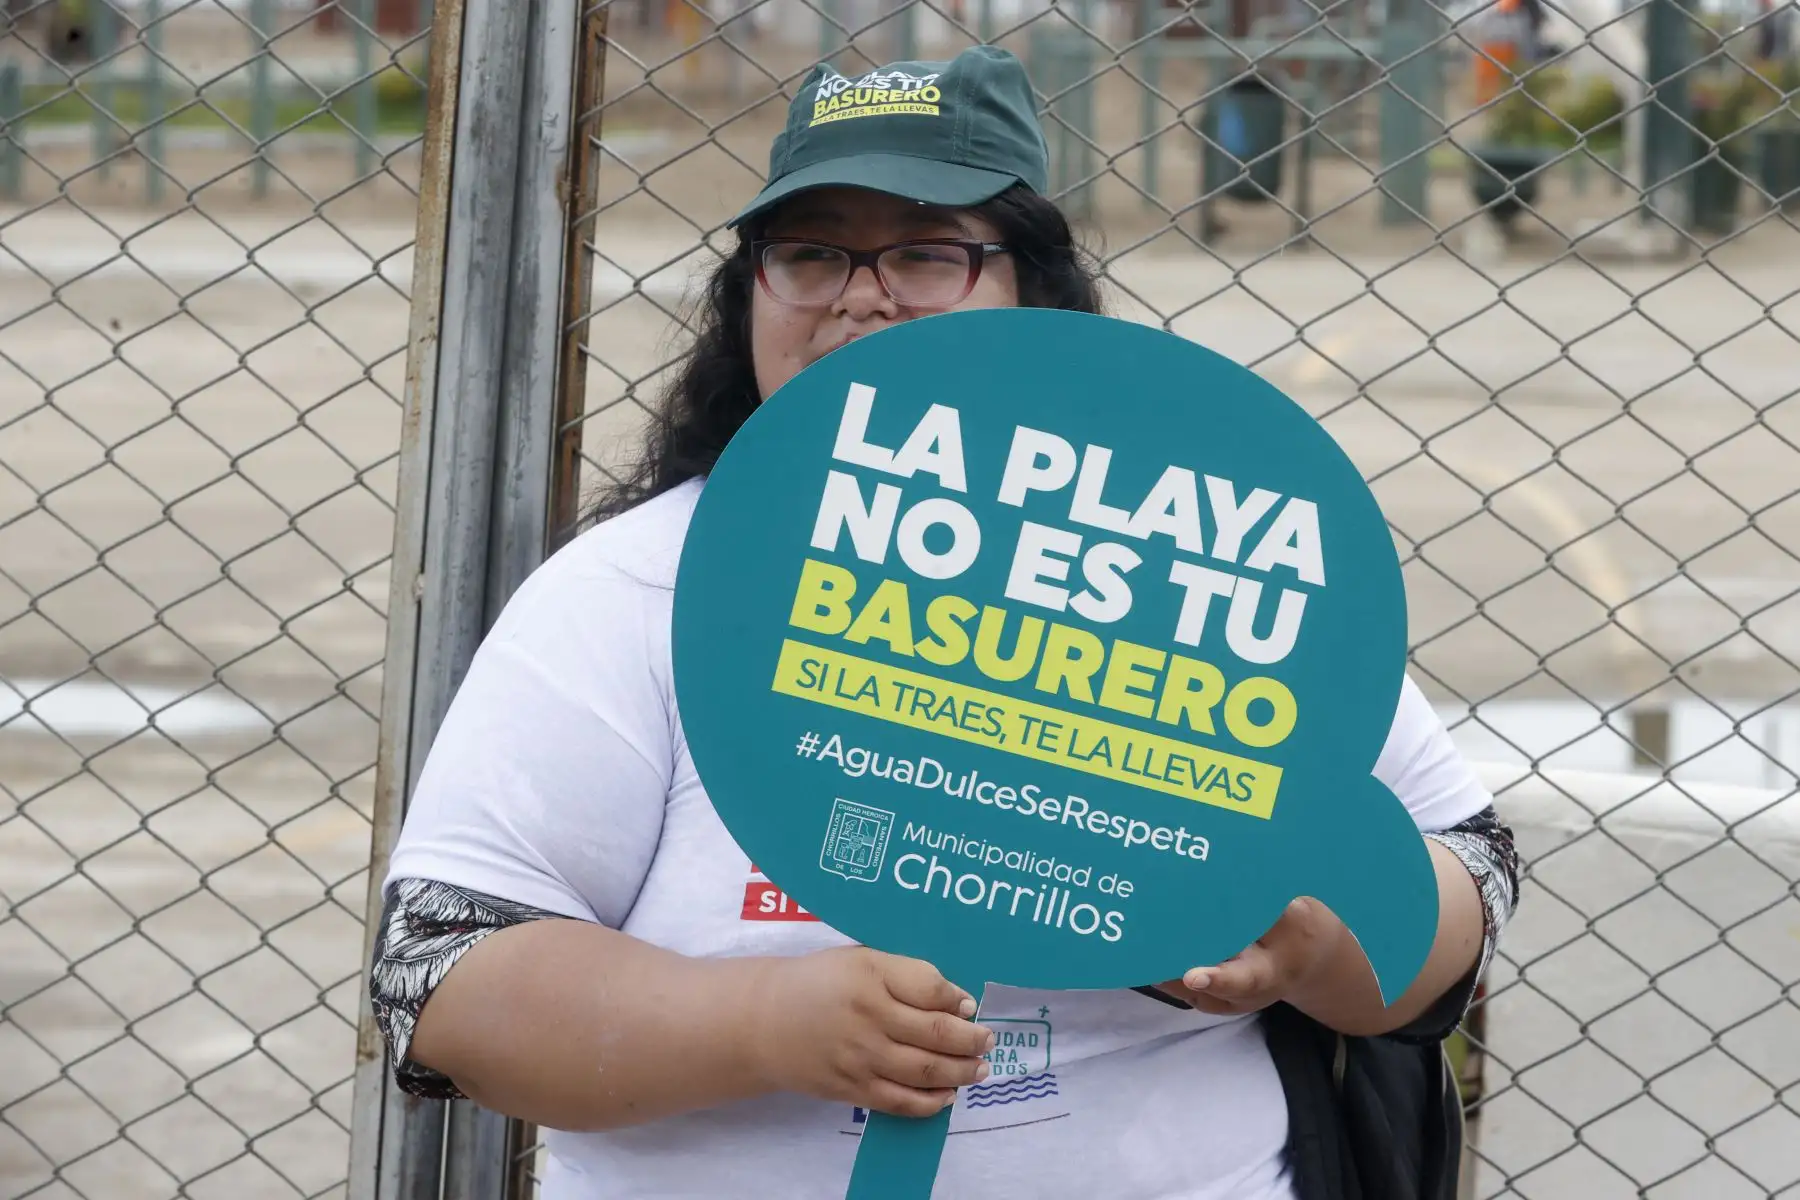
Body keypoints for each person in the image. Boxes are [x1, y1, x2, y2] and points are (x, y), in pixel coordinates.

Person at [368, 44, 1520, 1200]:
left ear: (1035, 292)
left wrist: (1307, 948)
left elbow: (1464, 876)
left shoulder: (1189, 550)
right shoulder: (634, 593)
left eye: (928, 253)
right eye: (810, 253)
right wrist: (765, 1022)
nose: (864, 294)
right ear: (749, 292)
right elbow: (443, 973)